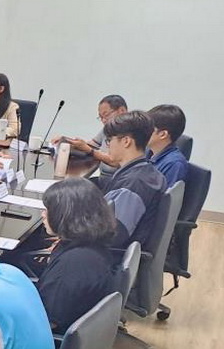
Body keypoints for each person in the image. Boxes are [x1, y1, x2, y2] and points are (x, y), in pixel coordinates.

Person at [32, 178, 116, 333]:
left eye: (48, 210)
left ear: (65, 215)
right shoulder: (92, 245)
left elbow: (47, 322)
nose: (43, 215)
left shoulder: (72, 265)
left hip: (48, 342)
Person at [102, 111, 166, 249]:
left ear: (126, 141)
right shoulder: (147, 172)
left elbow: (112, 237)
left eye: (109, 140)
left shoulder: (133, 185)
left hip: (109, 259)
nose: (108, 146)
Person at [59, 94, 128, 182]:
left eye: (106, 115)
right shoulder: (107, 129)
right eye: (101, 117)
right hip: (103, 179)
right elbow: (90, 145)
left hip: (116, 184)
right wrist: (65, 140)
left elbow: (116, 161)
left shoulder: (130, 134)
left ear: (121, 111)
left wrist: (90, 151)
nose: (103, 120)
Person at [146, 104, 189, 187]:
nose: (141, 132)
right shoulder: (148, 152)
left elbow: (166, 199)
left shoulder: (175, 165)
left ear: (163, 134)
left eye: (147, 128)